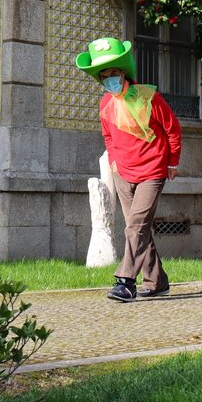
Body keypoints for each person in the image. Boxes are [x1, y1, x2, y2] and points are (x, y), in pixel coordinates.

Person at [76, 37, 182, 302]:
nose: (110, 79)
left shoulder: (149, 98)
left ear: (123, 72)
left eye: (114, 73)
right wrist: (113, 162)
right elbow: (108, 136)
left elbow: (172, 129)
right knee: (139, 228)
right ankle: (157, 281)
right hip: (122, 172)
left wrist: (172, 162)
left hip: (152, 171)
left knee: (135, 226)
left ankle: (126, 282)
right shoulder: (105, 104)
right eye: (104, 75)